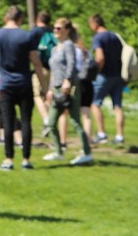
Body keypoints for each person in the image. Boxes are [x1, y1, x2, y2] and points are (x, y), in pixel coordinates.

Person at [0, 5, 43, 170]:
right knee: (26, 121)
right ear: (21, 18)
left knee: (8, 122)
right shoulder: (26, 36)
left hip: (6, 85)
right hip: (25, 83)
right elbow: (36, 62)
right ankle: (26, 159)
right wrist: (44, 85)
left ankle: (8, 159)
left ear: (6, 17)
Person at [42, 19, 93, 166]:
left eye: (59, 28)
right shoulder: (54, 49)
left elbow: (71, 64)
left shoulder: (68, 45)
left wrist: (67, 80)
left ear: (67, 30)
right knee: (51, 123)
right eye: (54, 28)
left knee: (75, 120)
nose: (55, 31)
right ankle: (59, 151)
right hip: (56, 88)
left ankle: (86, 152)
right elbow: (53, 71)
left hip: (69, 88)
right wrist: (50, 89)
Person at [89, 14, 126, 145]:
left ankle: (101, 133)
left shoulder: (98, 38)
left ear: (94, 24)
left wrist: (96, 72)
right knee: (117, 106)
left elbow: (100, 58)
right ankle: (120, 136)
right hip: (118, 75)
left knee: (95, 104)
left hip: (104, 76)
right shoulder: (115, 36)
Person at [32, 11, 55, 137]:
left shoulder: (35, 32)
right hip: (54, 68)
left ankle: (47, 121)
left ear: (38, 19)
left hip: (40, 68)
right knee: (49, 95)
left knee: (37, 95)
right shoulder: (53, 31)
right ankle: (52, 120)